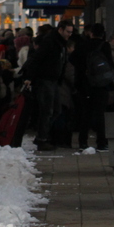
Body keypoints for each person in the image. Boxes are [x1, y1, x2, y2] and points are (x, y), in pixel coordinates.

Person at [23, 19, 74, 151]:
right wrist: (29, 77)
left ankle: (43, 136)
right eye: (68, 32)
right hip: (45, 79)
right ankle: (42, 138)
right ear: (60, 30)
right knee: (48, 110)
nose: (70, 34)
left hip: (53, 80)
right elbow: (37, 58)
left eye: (71, 32)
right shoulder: (51, 42)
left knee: (55, 109)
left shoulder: (59, 42)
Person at [72, 23, 114, 151]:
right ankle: (101, 142)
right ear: (103, 34)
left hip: (85, 84)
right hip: (101, 85)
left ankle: (83, 142)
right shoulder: (105, 46)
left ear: (91, 33)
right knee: (100, 114)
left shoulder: (82, 45)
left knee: (85, 113)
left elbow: (72, 59)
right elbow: (109, 64)